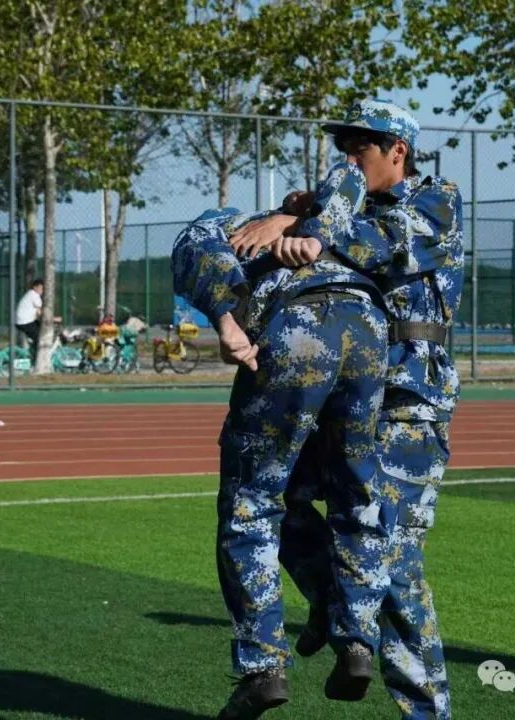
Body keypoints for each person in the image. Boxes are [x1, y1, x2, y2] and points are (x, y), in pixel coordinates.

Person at [238, 100, 464, 720]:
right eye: (342, 148)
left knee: (397, 567)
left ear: (398, 151)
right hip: (345, 394)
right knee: (267, 496)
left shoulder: (437, 201)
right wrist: (298, 216)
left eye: (360, 148)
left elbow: (369, 246)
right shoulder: (341, 205)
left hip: (406, 406)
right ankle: (332, 599)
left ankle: (428, 713)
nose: (348, 159)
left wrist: (301, 220)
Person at [173, 161, 394, 720]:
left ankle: (263, 667)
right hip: (368, 329)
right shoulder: (355, 219)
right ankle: (356, 640)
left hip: (295, 327)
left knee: (251, 503)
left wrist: (227, 323)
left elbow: (193, 242)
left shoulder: (239, 224)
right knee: (355, 496)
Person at [15, 279, 43, 351]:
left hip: (24, 321)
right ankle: (36, 355)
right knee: (40, 338)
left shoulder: (30, 294)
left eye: (43, 289)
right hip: (25, 322)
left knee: (41, 330)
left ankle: (33, 349)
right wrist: (53, 319)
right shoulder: (34, 295)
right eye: (40, 288)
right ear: (35, 287)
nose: (42, 290)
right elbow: (40, 313)